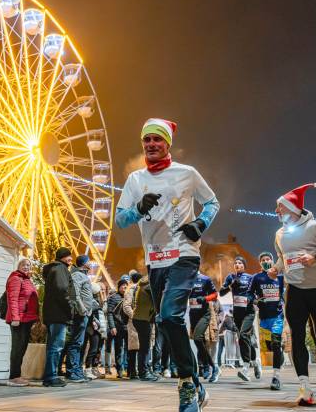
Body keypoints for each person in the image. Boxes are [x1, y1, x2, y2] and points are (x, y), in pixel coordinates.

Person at [115, 118, 219, 412]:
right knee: (165, 321)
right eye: (146, 140)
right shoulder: (135, 180)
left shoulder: (187, 174)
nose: (151, 145)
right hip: (156, 260)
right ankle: (196, 383)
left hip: (185, 255)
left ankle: (186, 390)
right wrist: (138, 208)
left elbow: (212, 203)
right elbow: (120, 221)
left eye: (156, 140)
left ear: (167, 143)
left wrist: (200, 223)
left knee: (171, 317)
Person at [267, 183, 316, 406]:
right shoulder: (279, 233)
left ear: (292, 208)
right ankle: (305, 388)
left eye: (279, 207)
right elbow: (282, 257)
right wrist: (276, 269)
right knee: (297, 337)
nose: (276, 211)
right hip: (295, 290)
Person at [249, 252, 285, 391]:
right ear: (260, 263)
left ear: (273, 260)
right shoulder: (257, 278)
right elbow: (249, 294)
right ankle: (279, 351)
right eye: (263, 260)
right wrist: (257, 301)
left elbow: (283, 295)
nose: (266, 261)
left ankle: (276, 377)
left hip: (277, 316)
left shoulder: (280, 277)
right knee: (270, 347)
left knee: (275, 344)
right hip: (264, 319)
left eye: (268, 259)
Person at [220, 256, 259, 382]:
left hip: (249, 312)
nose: (237, 264)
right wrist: (230, 286)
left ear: (244, 265)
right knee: (244, 338)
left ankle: (246, 369)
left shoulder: (251, 278)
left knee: (243, 336)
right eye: (235, 263)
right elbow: (221, 293)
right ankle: (255, 362)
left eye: (240, 263)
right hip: (237, 313)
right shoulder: (230, 277)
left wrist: (250, 299)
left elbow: (257, 295)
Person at [42, 247, 76, 387]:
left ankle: (50, 376)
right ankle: (51, 377)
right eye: (69, 256)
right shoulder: (60, 269)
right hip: (59, 314)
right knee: (56, 346)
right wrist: (70, 307)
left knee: (53, 346)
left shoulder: (54, 269)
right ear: (63, 257)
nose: (71, 259)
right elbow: (62, 290)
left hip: (53, 314)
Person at [5, 258, 39, 387]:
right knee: (17, 348)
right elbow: (12, 299)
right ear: (18, 265)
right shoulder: (15, 278)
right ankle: (13, 377)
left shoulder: (27, 279)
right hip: (18, 319)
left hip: (27, 319)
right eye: (24, 265)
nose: (26, 267)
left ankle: (17, 375)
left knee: (22, 348)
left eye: (29, 265)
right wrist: (15, 317)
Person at [66, 255, 93, 382]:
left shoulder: (83, 275)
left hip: (85, 314)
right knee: (76, 342)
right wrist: (83, 310)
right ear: (84, 263)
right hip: (80, 314)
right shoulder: (77, 275)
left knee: (79, 343)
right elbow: (75, 294)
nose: (91, 263)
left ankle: (77, 371)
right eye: (89, 261)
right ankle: (72, 372)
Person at [189, 272, 219, 382]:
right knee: (198, 341)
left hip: (204, 314)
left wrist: (206, 298)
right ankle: (210, 366)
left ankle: (209, 366)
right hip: (193, 314)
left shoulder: (205, 279)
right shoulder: (185, 279)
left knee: (198, 338)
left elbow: (215, 294)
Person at [133, 274, 158, 381]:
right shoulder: (148, 287)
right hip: (142, 319)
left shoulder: (142, 285)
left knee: (145, 347)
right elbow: (156, 298)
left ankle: (145, 370)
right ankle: (143, 372)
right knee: (145, 347)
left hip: (141, 318)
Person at [106, 280, 128, 378]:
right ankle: (119, 370)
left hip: (127, 327)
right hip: (117, 327)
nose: (125, 288)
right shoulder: (113, 297)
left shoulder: (128, 297)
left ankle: (128, 369)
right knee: (119, 349)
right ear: (118, 287)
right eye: (123, 286)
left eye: (126, 286)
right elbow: (109, 313)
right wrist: (112, 327)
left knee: (128, 349)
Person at [83, 282, 104, 379]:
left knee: (95, 349)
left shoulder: (97, 301)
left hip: (97, 329)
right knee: (93, 349)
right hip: (93, 329)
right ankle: (87, 369)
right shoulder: (93, 301)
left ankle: (90, 369)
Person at [123, 271, 142, 379]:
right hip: (134, 322)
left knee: (136, 348)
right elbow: (126, 306)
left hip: (138, 321)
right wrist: (135, 316)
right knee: (134, 348)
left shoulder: (135, 289)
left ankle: (135, 371)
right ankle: (133, 371)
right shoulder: (132, 290)